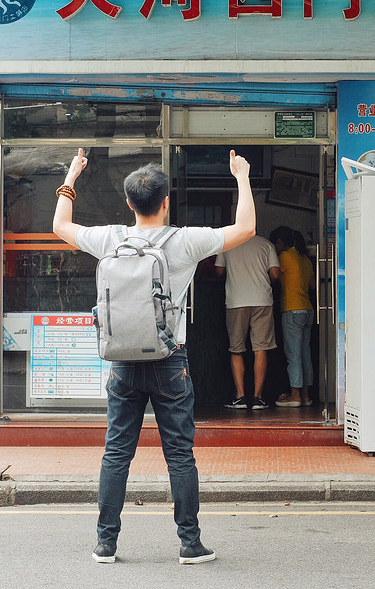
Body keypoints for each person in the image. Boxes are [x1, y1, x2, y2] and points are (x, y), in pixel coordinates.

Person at [52, 148, 256, 565]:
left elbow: (60, 225)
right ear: (166, 202)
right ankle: (189, 542)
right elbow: (246, 228)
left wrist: (72, 174)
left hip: (122, 361)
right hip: (170, 361)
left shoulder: (110, 238)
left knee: (116, 453)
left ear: (129, 204)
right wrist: (241, 177)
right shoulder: (184, 241)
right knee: (179, 454)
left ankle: (105, 543)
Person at [215, 216, 280, 411]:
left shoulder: (227, 245)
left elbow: (219, 271)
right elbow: (275, 274)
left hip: (236, 301)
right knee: (261, 348)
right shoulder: (266, 245)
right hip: (262, 300)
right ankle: (258, 398)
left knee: (237, 349)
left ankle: (241, 397)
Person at [270, 226, 316, 407]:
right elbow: (312, 286)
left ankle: (295, 395)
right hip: (308, 310)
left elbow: (273, 276)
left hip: (292, 309)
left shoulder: (285, 257)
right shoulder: (305, 259)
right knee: (305, 354)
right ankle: (305, 395)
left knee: (293, 355)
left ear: (280, 243)